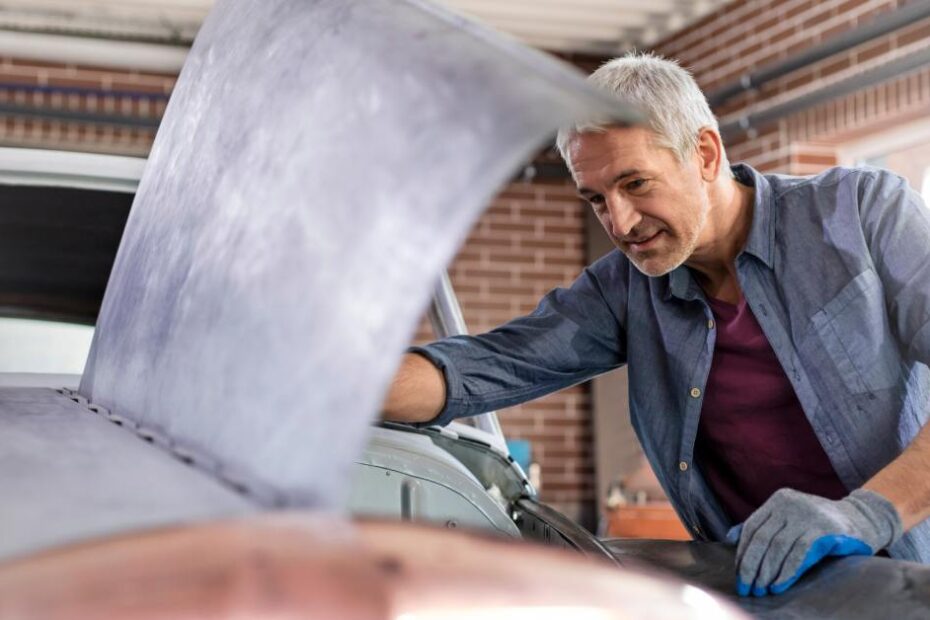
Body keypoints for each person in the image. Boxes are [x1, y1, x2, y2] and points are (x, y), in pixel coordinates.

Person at [382, 52, 930, 596]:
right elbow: (478, 368)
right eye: (596, 198)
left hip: (913, 582)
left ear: (706, 154)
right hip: (768, 595)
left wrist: (868, 514)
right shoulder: (622, 290)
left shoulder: (863, 214)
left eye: (636, 184)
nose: (619, 222)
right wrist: (322, 396)